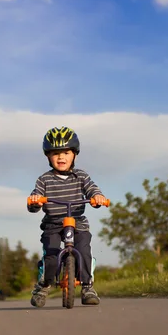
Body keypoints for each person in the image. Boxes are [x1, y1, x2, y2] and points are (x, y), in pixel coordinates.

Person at [28, 126, 107, 308]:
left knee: (84, 250)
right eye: (56, 153)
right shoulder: (44, 180)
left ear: (74, 155)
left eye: (65, 152)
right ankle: (43, 286)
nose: (61, 157)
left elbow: (91, 189)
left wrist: (97, 197)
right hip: (53, 224)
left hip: (77, 223)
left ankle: (87, 287)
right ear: (48, 156)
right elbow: (35, 197)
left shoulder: (80, 176)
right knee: (51, 256)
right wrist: (34, 202)